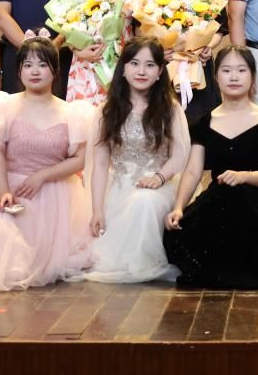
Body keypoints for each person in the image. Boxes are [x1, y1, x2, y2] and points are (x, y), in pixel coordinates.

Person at [0, 38, 93, 290]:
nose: (34, 71)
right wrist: (3, 191)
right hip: (10, 185)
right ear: (19, 71)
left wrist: (43, 176)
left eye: (42, 65)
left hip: (56, 192)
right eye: (27, 65)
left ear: (55, 71)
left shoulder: (73, 112)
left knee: (48, 254)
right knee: (0, 243)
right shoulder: (4, 106)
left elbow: (80, 159)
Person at [163, 46, 258, 289]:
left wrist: (243, 176)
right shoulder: (204, 122)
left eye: (241, 70)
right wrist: (178, 207)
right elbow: (193, 171)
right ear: (216, 76)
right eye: (227, 70)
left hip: (257, 200)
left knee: (238, 198)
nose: (234, 77)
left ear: (252, 76)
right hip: (218, 198)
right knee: (177, 231)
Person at [78, 37, 189, 283]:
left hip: (160, 187)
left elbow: (180, 155)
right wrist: (97, 209)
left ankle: (143, 264)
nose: (141, 71)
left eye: (150, 65)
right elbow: (100, 165)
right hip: (118, 188)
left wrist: (159, 177)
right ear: (123, 69)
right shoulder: (107, 111)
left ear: (160, 72)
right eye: (135, 63)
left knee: (144, 201)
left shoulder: (170, 109)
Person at [143, 0, 228, 124]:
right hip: (162, 68)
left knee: (201, 129)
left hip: (199, 68)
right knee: (163, 127)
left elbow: (219, 29)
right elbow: (140, 29)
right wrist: (158, 50)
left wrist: (207, 47)